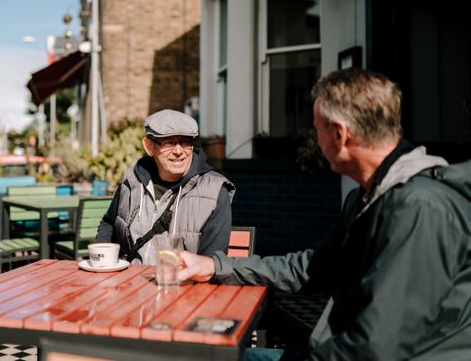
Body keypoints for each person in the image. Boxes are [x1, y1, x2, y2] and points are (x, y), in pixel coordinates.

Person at [178, 69, 471, 360]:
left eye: (317, 129)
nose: (316, 140)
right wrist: (215, 266)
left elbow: (375, 348)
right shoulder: (365, 198)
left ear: (339, 134)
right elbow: (311, 268)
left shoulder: (419, 208)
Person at [96, 109, 235, 264]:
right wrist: (103, 262)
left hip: (181, 284)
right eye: (169, 142)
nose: (178, 151)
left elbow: (212, 262)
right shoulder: (132, 180)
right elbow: (109, 222)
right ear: (149, 146)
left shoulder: (214, 191)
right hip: (129, 281)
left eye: (185, 142)